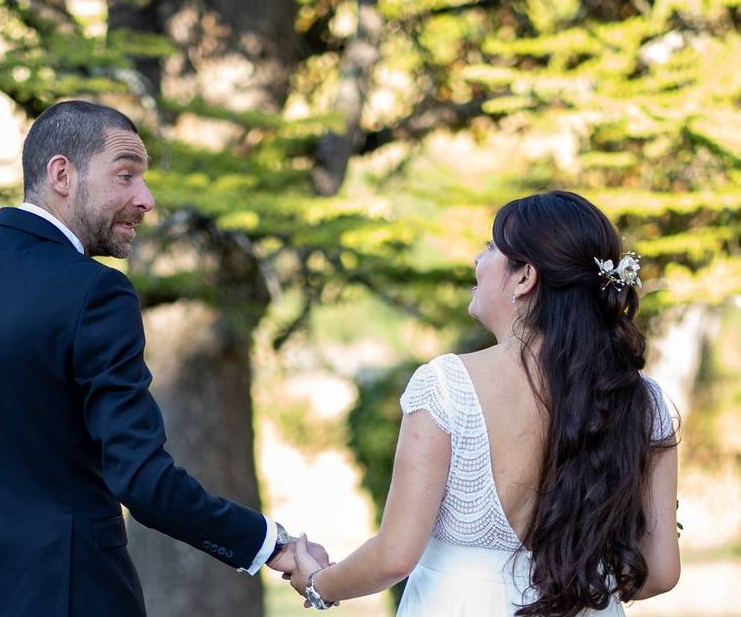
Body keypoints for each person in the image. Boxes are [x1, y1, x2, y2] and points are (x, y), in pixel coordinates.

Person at [0, 101, 326, 617]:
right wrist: (271, 543)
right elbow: (143, 482)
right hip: (69, 596)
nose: (146, 199)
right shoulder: (96, 292)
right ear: (62, 174)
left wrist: (2, 456)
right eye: (125, 176)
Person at [288, 190, 680, 616]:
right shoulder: (643, 401)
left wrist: (317, 583)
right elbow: (660, 572)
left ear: (525, 277)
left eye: (492, 247)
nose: (478, 258)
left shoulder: (446, 386)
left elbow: (395, 555)